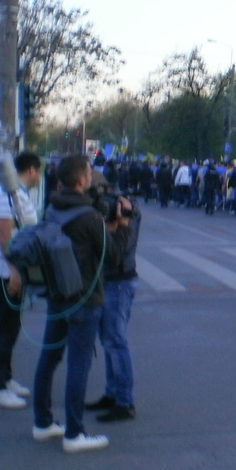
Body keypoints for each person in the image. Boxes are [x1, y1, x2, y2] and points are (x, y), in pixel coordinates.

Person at [32, 154, 133, 453]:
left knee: (48, 359)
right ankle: (74, 433)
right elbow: (113, 256)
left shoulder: (52, 208)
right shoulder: (89, 217)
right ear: (80, 181)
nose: (91, 177)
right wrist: (124, 224)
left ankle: (42, 422)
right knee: (79, 364)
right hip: (86, 298)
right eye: (89, 174)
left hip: (58, 294)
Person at [0, 151, 42, 409]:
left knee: (11, 327)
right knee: (4, 329)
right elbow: (4, 234)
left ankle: (5, 379)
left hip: (8, 270)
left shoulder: (15, 193)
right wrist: (15, 271)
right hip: (4, 272)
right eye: (38, 172)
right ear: (31, 170)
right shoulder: (8, 195)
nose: (39, 177)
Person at [86, 181, 141, 423]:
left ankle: (124, 401)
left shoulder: (128, 212)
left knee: (116, 341)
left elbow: (120, 248)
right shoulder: (109, 210)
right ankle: (112, 393)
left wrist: (116, 223)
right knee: (108, 340)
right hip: (107, 280)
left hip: (119, 281)